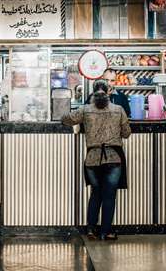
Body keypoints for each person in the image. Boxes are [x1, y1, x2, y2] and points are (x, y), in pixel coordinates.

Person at [62, 79, 131, 240]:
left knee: (96, 194)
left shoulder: (85, 110)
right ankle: (106, 232)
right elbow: (127, 133)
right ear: (108, 92)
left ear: (92, 92)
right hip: (114, 158)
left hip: (92, 159)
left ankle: (91, 230)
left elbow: (66, 119)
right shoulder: (118, 109)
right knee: (109, 196)